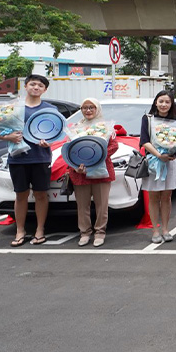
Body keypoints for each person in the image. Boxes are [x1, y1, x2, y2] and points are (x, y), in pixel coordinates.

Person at [0, 74, 55, 247]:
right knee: (20, 195)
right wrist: (9, 137)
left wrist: (49, 141)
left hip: (41, 157)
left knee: (40, 195)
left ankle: (40, 230)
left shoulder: (49, 108)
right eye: (33, 84)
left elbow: (58, 132)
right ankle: (20, 230)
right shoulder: (13, 108)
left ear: (44, 90)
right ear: (26, 86)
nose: (36, 88)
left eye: (40, 85)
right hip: (18, 158)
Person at [69, 98, 118, 248]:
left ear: (97, 109)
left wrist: (96, 156)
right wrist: (77, 162)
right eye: (84, 107)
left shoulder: (106, 127)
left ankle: (100, 232)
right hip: (80, 171)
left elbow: (113, 146)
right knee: (82, 205)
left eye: (92, 107)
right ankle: (84, 233)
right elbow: (70, 149)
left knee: (101, 205)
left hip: (101, 170)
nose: (88, 110)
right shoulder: (75, 128)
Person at [140, 90, 176, 244]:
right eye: (161, 101)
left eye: (167, 102)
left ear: (171, 104)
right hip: (153, 162)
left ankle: (165, 229)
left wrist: (175, 152)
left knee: (167, 196)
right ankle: (155, 230)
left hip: (170, 162)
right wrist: (159, 155)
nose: (164, 104)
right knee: (153, 197)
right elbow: (144, 141)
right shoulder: (148, 119)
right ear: (155, 102)